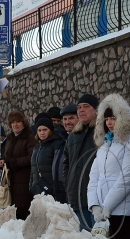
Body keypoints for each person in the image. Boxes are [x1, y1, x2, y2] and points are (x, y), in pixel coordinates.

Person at [88, 94, 130, 239]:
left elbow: (127, 178)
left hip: (121, 210)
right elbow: (93, 178)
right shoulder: (105, 145)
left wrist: (108, 206)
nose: (110, 123)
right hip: (102, 212)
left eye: (113, 118)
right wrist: (94, 205)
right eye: (106, 119)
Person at [63, 93, 100, 230]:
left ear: (96, 110)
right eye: (79, 107)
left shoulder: (102, 130)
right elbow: (66, 162)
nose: (81, 110)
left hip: (97, 198)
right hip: (77, 196)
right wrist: (67, 182)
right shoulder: (73, 136)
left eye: (86, 106)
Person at [0, 112, 34, 218]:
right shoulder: (10, 138)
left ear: (23, 122)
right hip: (11, 182)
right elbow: (7, 155)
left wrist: (13, 162)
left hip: (24, 181)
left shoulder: (29, 137)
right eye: (12, 122)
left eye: (18, 121)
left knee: (22, 211)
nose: (15, 124)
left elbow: (31, 158)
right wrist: (2, 160)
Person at [29, 115, 65, 198]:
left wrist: (53, 187)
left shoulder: (56, 145)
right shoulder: (37, 147)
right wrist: (31, 186)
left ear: (50, 130)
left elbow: (58, 168)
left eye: (45, 130)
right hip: (37, 190)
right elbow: (33, 169)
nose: (42, 133)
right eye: (39, 130)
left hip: (51, 191)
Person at [52, 104, 78, 203]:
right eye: (65, 119)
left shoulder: (79, 140)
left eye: (71, 118)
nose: (67, 122)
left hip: (73, 191)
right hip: (59, 191)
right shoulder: (62, 140)